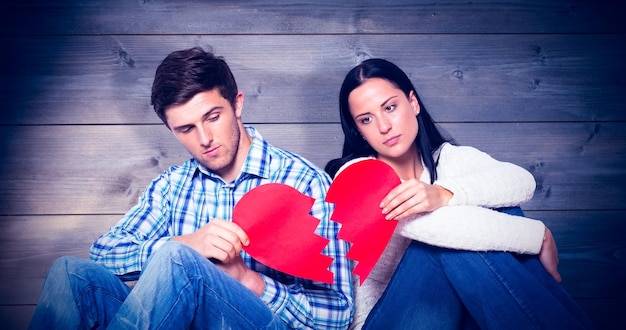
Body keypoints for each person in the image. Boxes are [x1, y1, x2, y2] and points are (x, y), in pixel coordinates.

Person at [29, 47, 353, 329]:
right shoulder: (173, 186)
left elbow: (339, 314)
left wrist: (248, 280)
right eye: (186, 128)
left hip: (260, 322)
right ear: (172, 131)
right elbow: (104, 252)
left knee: (177, 259)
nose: (204, 139)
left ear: (237, 104)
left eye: (212, 117)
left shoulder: (304, 182)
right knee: (71, 275)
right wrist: (189, 243)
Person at [325, 58, 594, 329]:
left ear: (413, 103)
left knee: (497, 209)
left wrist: (444, 193)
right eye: (367, 119)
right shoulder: (358, 175)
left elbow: (521, 181)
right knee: (451, 241)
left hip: (451, 314)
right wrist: (536, 235)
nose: (384, 126)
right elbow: (435, 229)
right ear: (359, 131)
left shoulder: (451, 159)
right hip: (388, 319)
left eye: (390, 107)